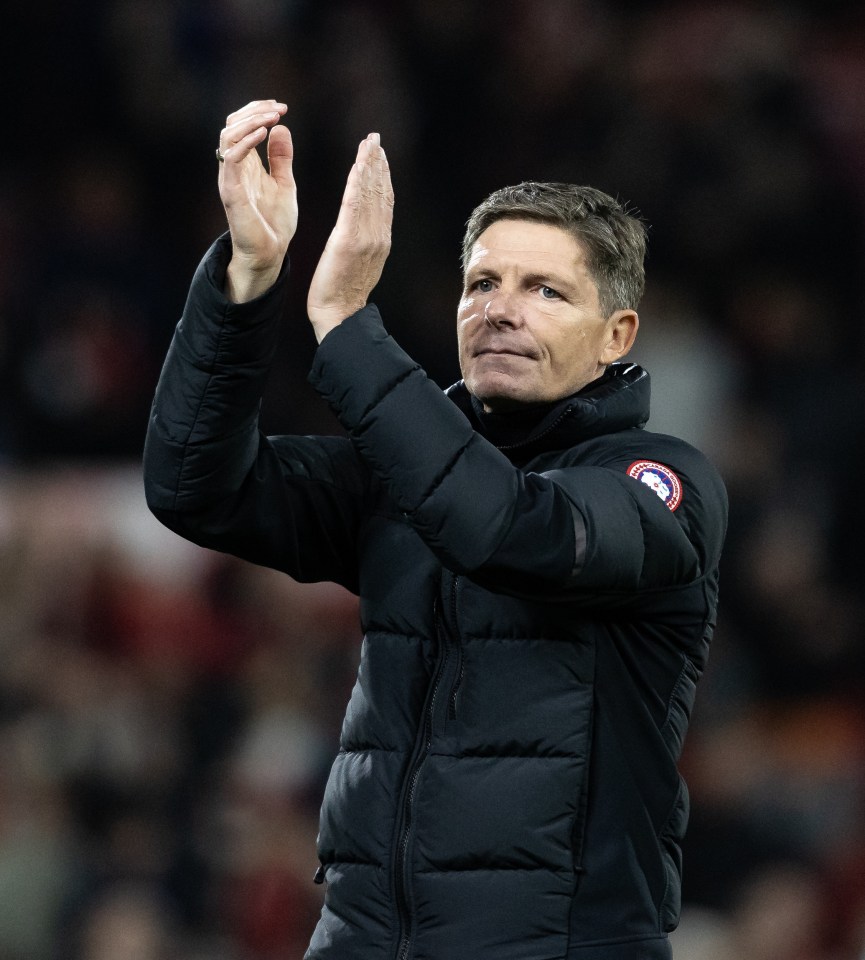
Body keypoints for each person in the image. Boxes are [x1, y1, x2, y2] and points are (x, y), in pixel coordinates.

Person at [143, 100, 728, 960]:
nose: (500, 309)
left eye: (545, 290)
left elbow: (508, 530)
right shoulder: (401, 471)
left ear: (616, 335)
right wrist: (247, 276)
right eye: (482, 283)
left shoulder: (662, 483)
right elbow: (195, 486)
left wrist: (346, 325)